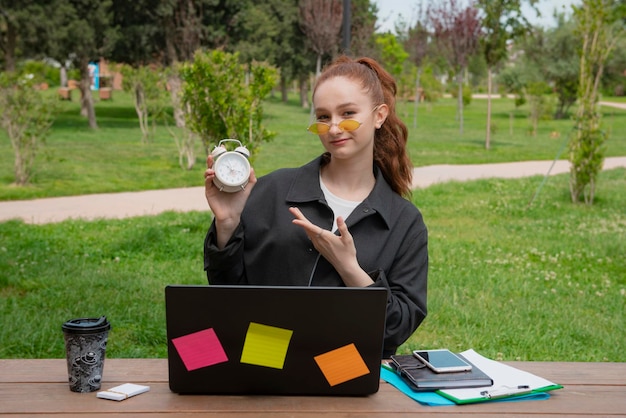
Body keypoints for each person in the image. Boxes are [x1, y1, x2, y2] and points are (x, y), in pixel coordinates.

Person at [203, 55, 428, 358]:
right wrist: (228, 223)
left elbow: (395, 331)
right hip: (262, 354)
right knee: (191, 367)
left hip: (345, 360)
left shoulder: (404, 222)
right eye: (323, 117)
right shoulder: (272, 190)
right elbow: (228, 297)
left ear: (379, 115)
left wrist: (349, 268)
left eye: (347, 113)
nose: (334, 128)